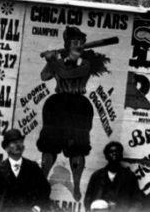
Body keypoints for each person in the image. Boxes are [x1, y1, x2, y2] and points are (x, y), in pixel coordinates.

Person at [38, 25, 109, 188]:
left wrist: (52, 60)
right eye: (74, 41)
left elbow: (66, 74)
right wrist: (52, 61)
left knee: (78, 146)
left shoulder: (85, 62)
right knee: (49, 143)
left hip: (78, 105)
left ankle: (76, 184)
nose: (78, 44)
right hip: (57, 104)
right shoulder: (59, 60)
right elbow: (44, 76)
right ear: (68, 45)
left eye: (80, 41)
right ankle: (42, 180)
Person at [0, 129, 52, 212]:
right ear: (6, 148)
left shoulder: (33, 168)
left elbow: (45, 190)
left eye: (20, 141)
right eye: (13, 142)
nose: (18, 145)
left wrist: (37, 207)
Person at [84, 142, 143, 212]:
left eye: (117, 151)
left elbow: (137, 202)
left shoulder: (130, 177)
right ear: (106, 156)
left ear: (121, 155)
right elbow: (88, 200)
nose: (114, 154)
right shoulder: (97, 176)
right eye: (111, 152)